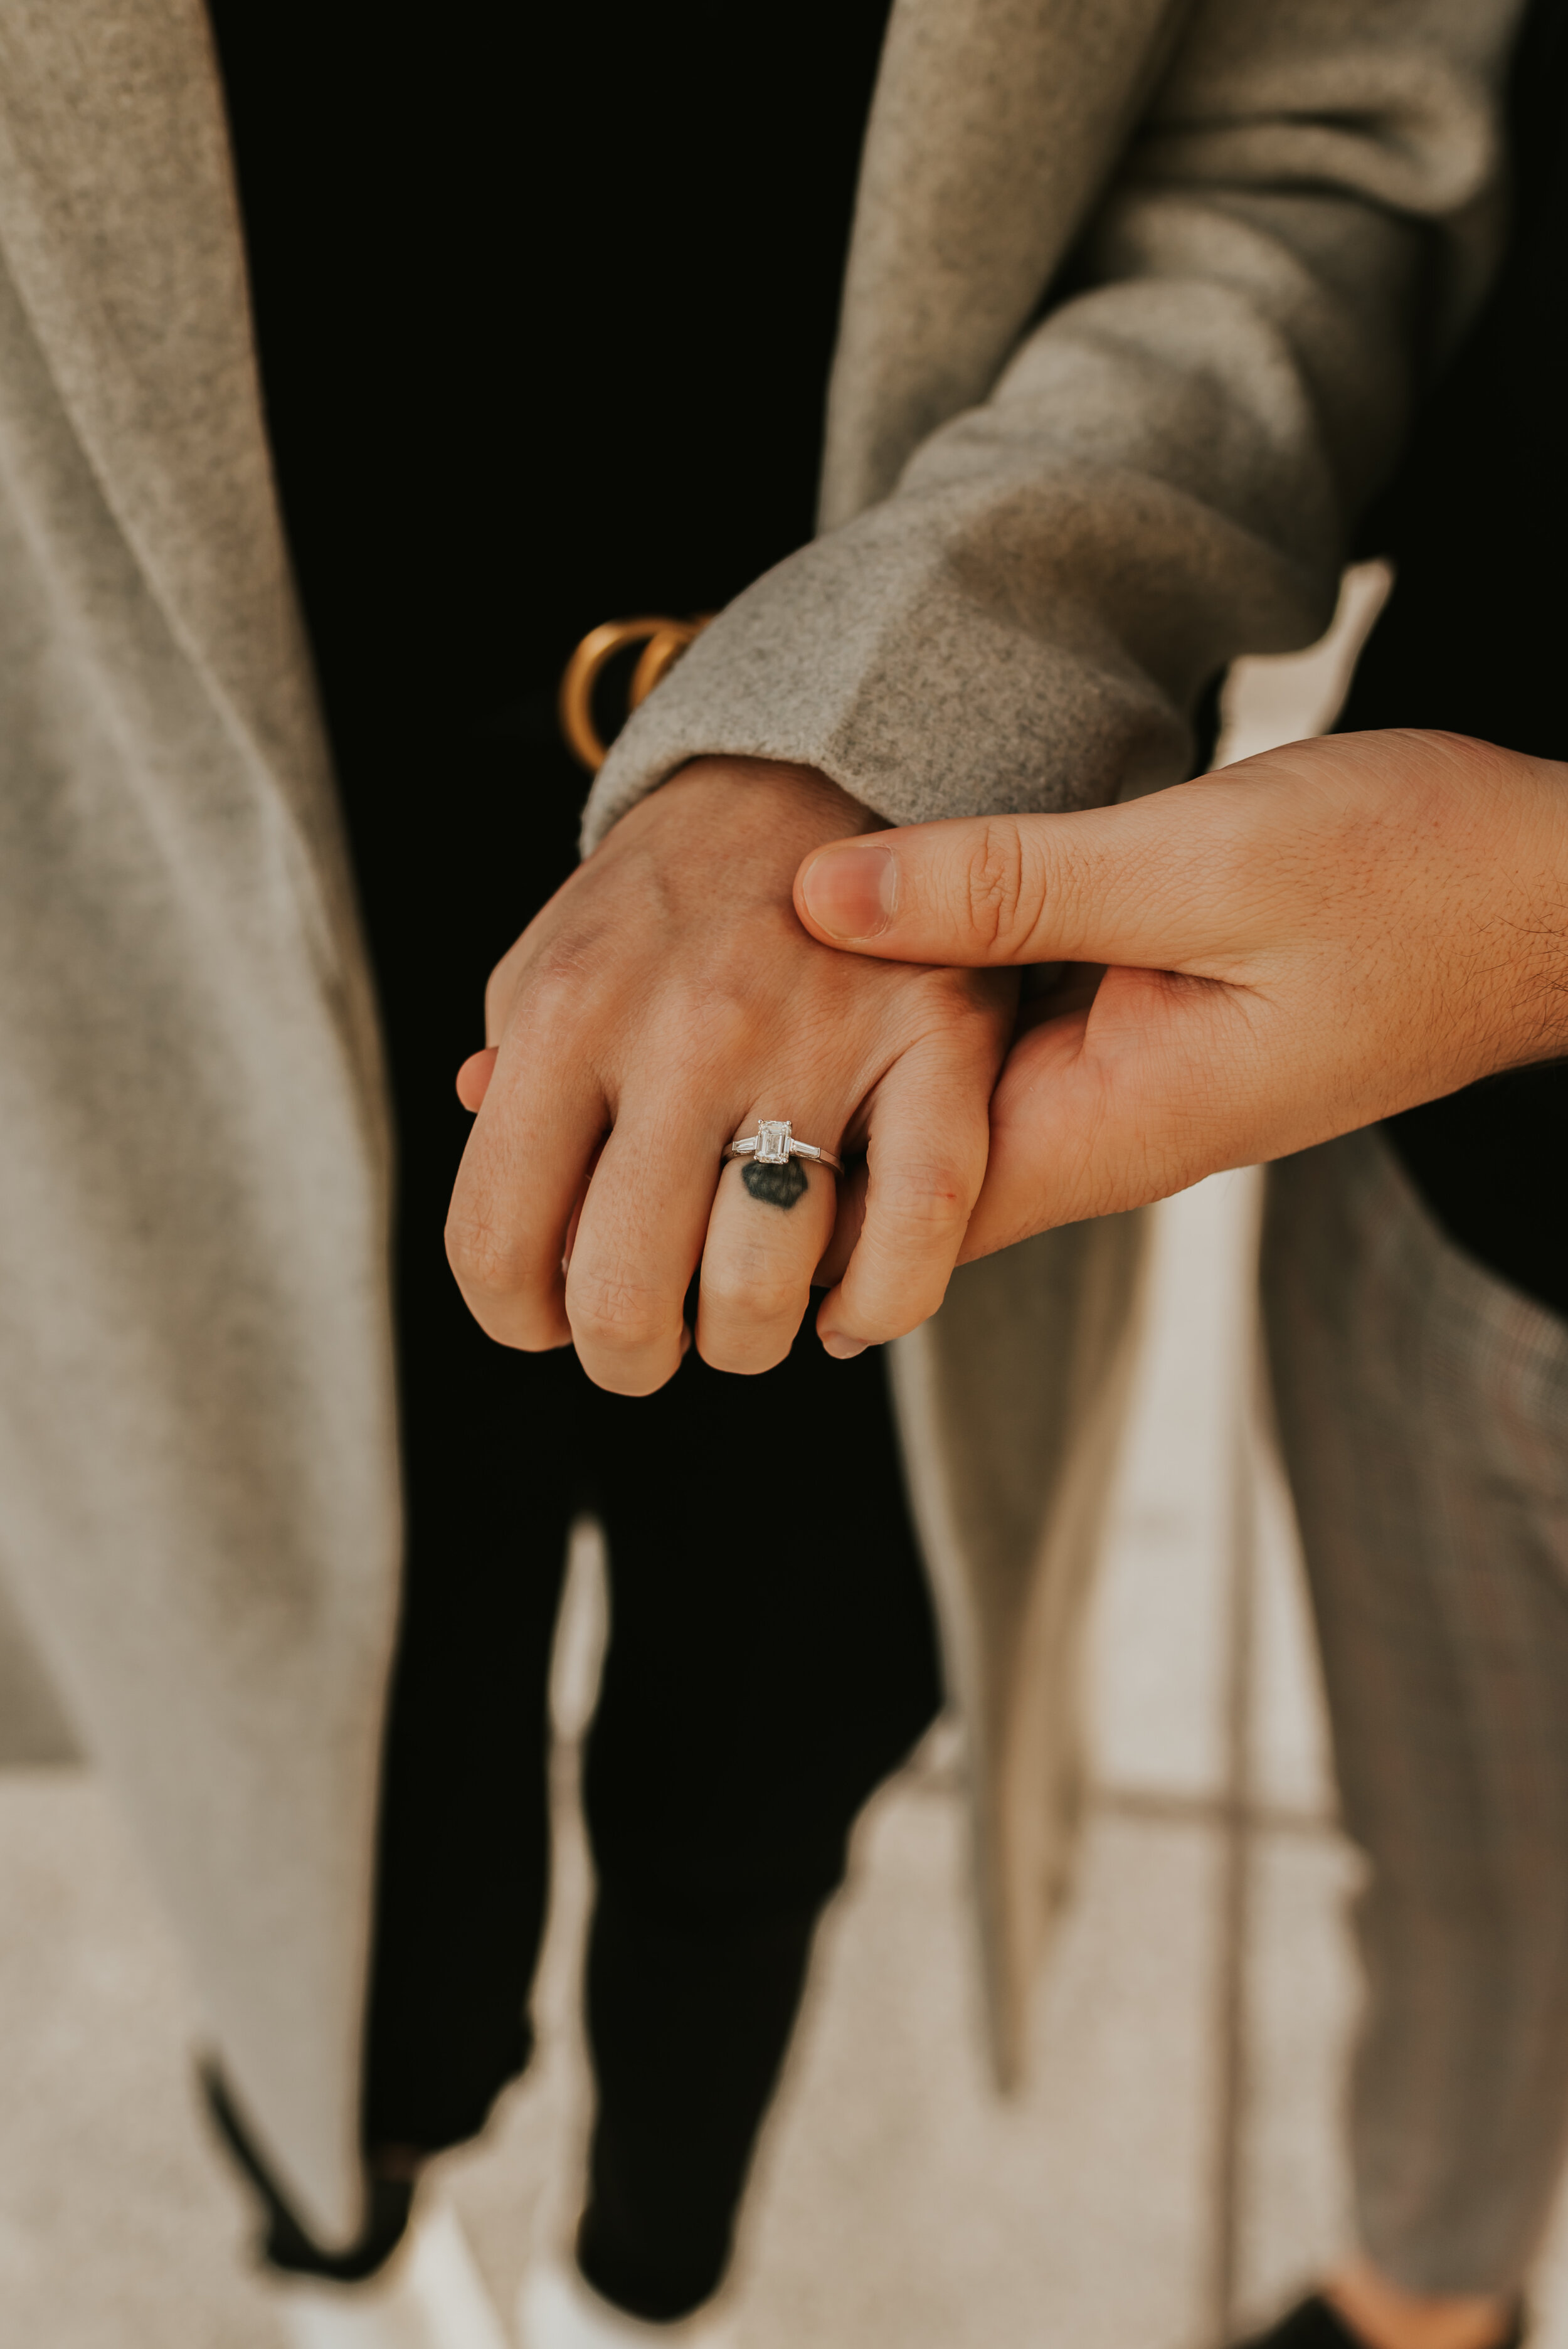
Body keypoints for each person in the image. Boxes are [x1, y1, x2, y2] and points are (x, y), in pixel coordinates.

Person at [0, 6, 1543, 2349]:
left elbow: (1333, 115)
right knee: (317, 1812)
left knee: (760, 1776)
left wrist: (897, 712)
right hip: (161, 965)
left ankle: (648, 2282)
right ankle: (348, 2236)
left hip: (916, 1021)